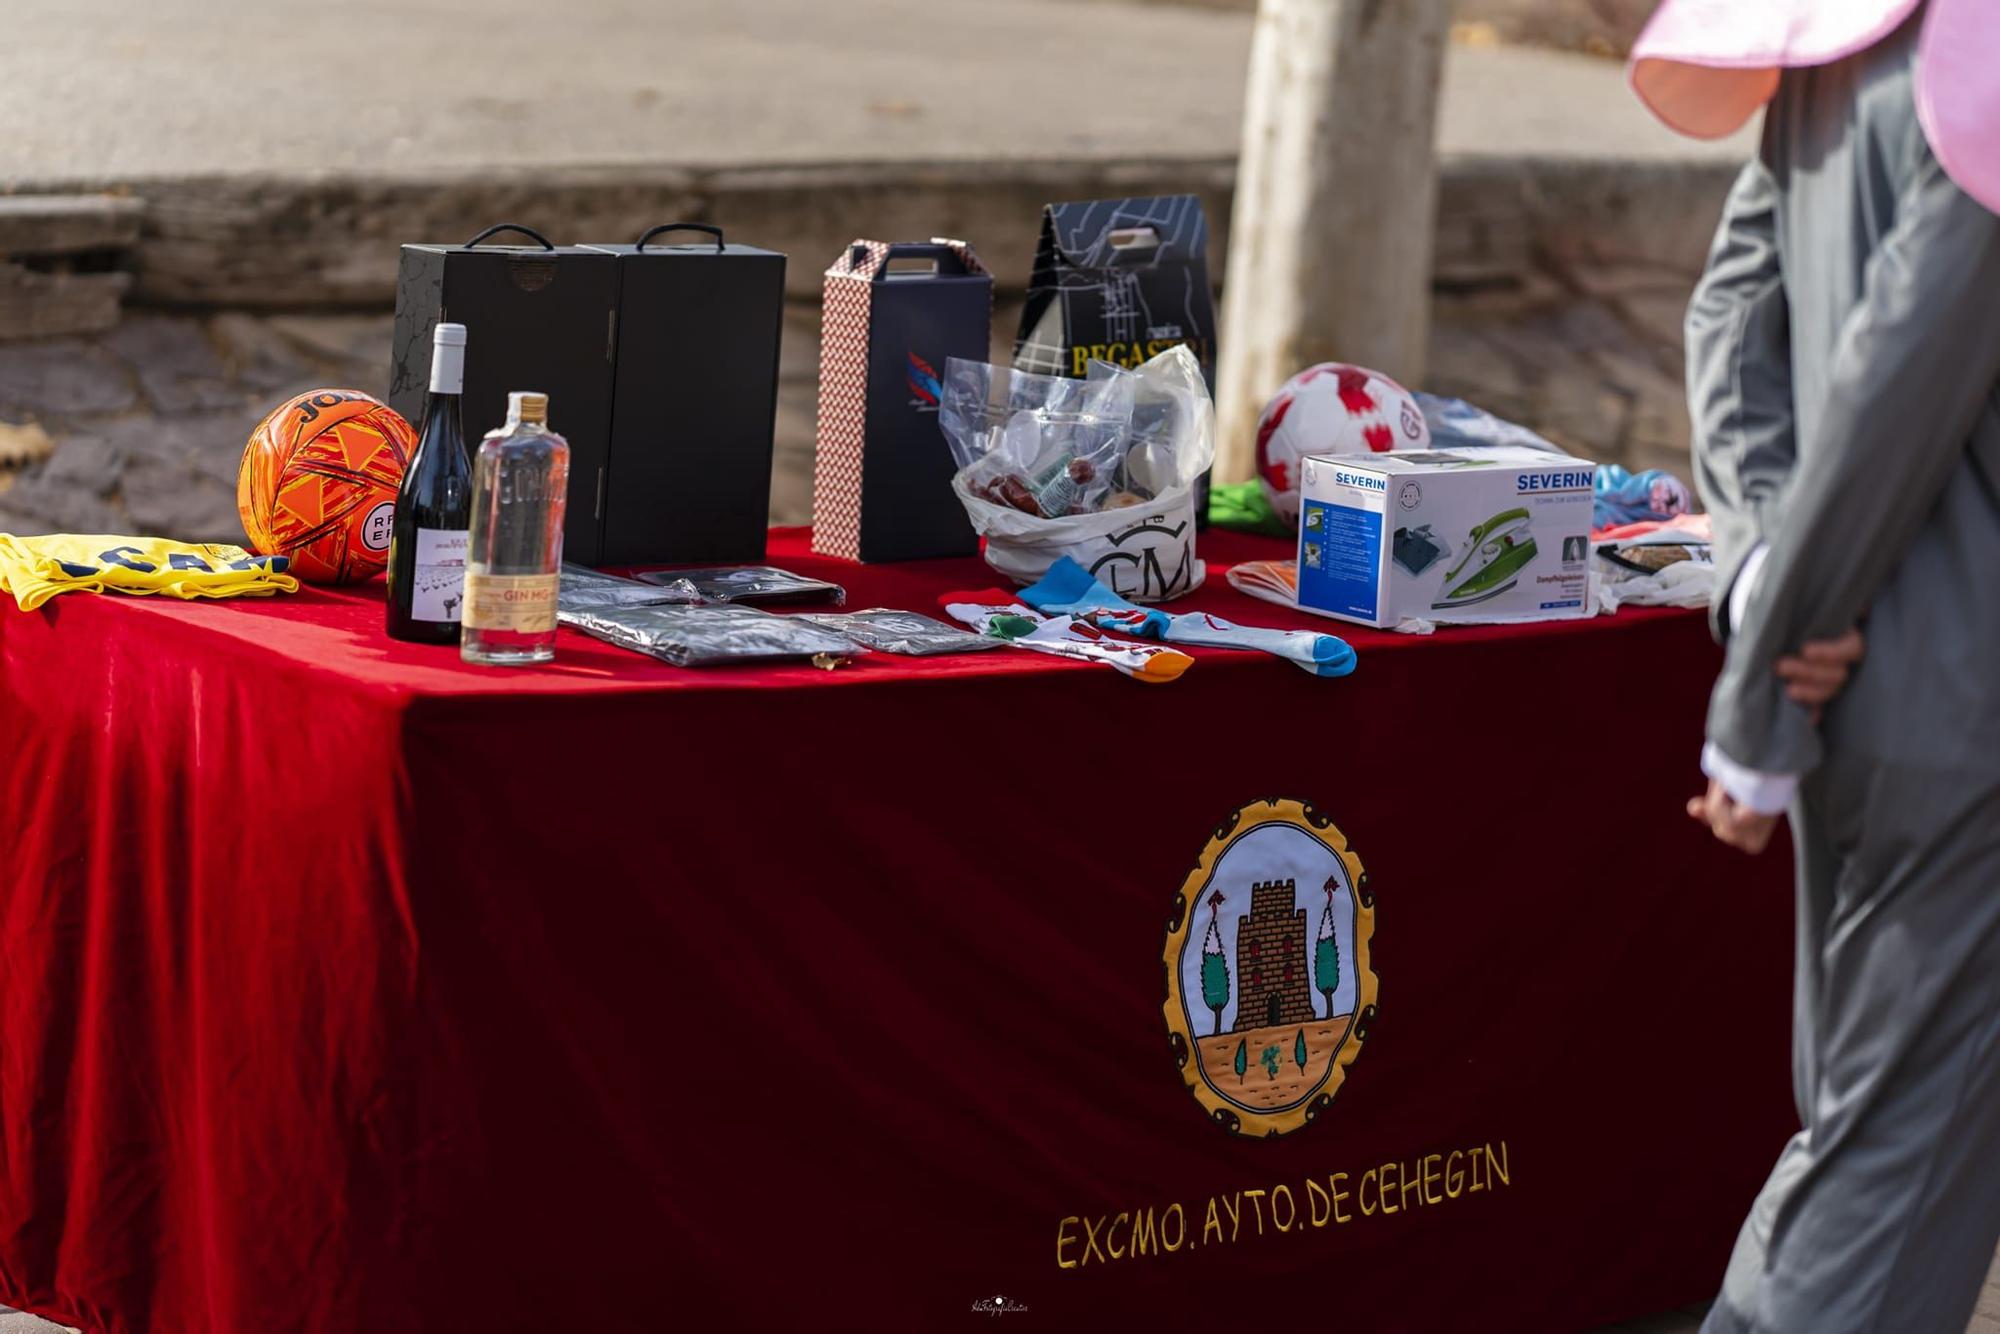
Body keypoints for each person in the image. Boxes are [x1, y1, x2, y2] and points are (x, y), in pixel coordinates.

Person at [1629, 1, 2000, 1329]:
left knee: (1868, 1135)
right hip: (1957, 701)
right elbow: (1887, 391)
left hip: (1856, 676)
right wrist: (1764, 670)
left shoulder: (1851, 50)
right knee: (1890, 1175)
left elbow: (1737, 316)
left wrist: (1761, 580)